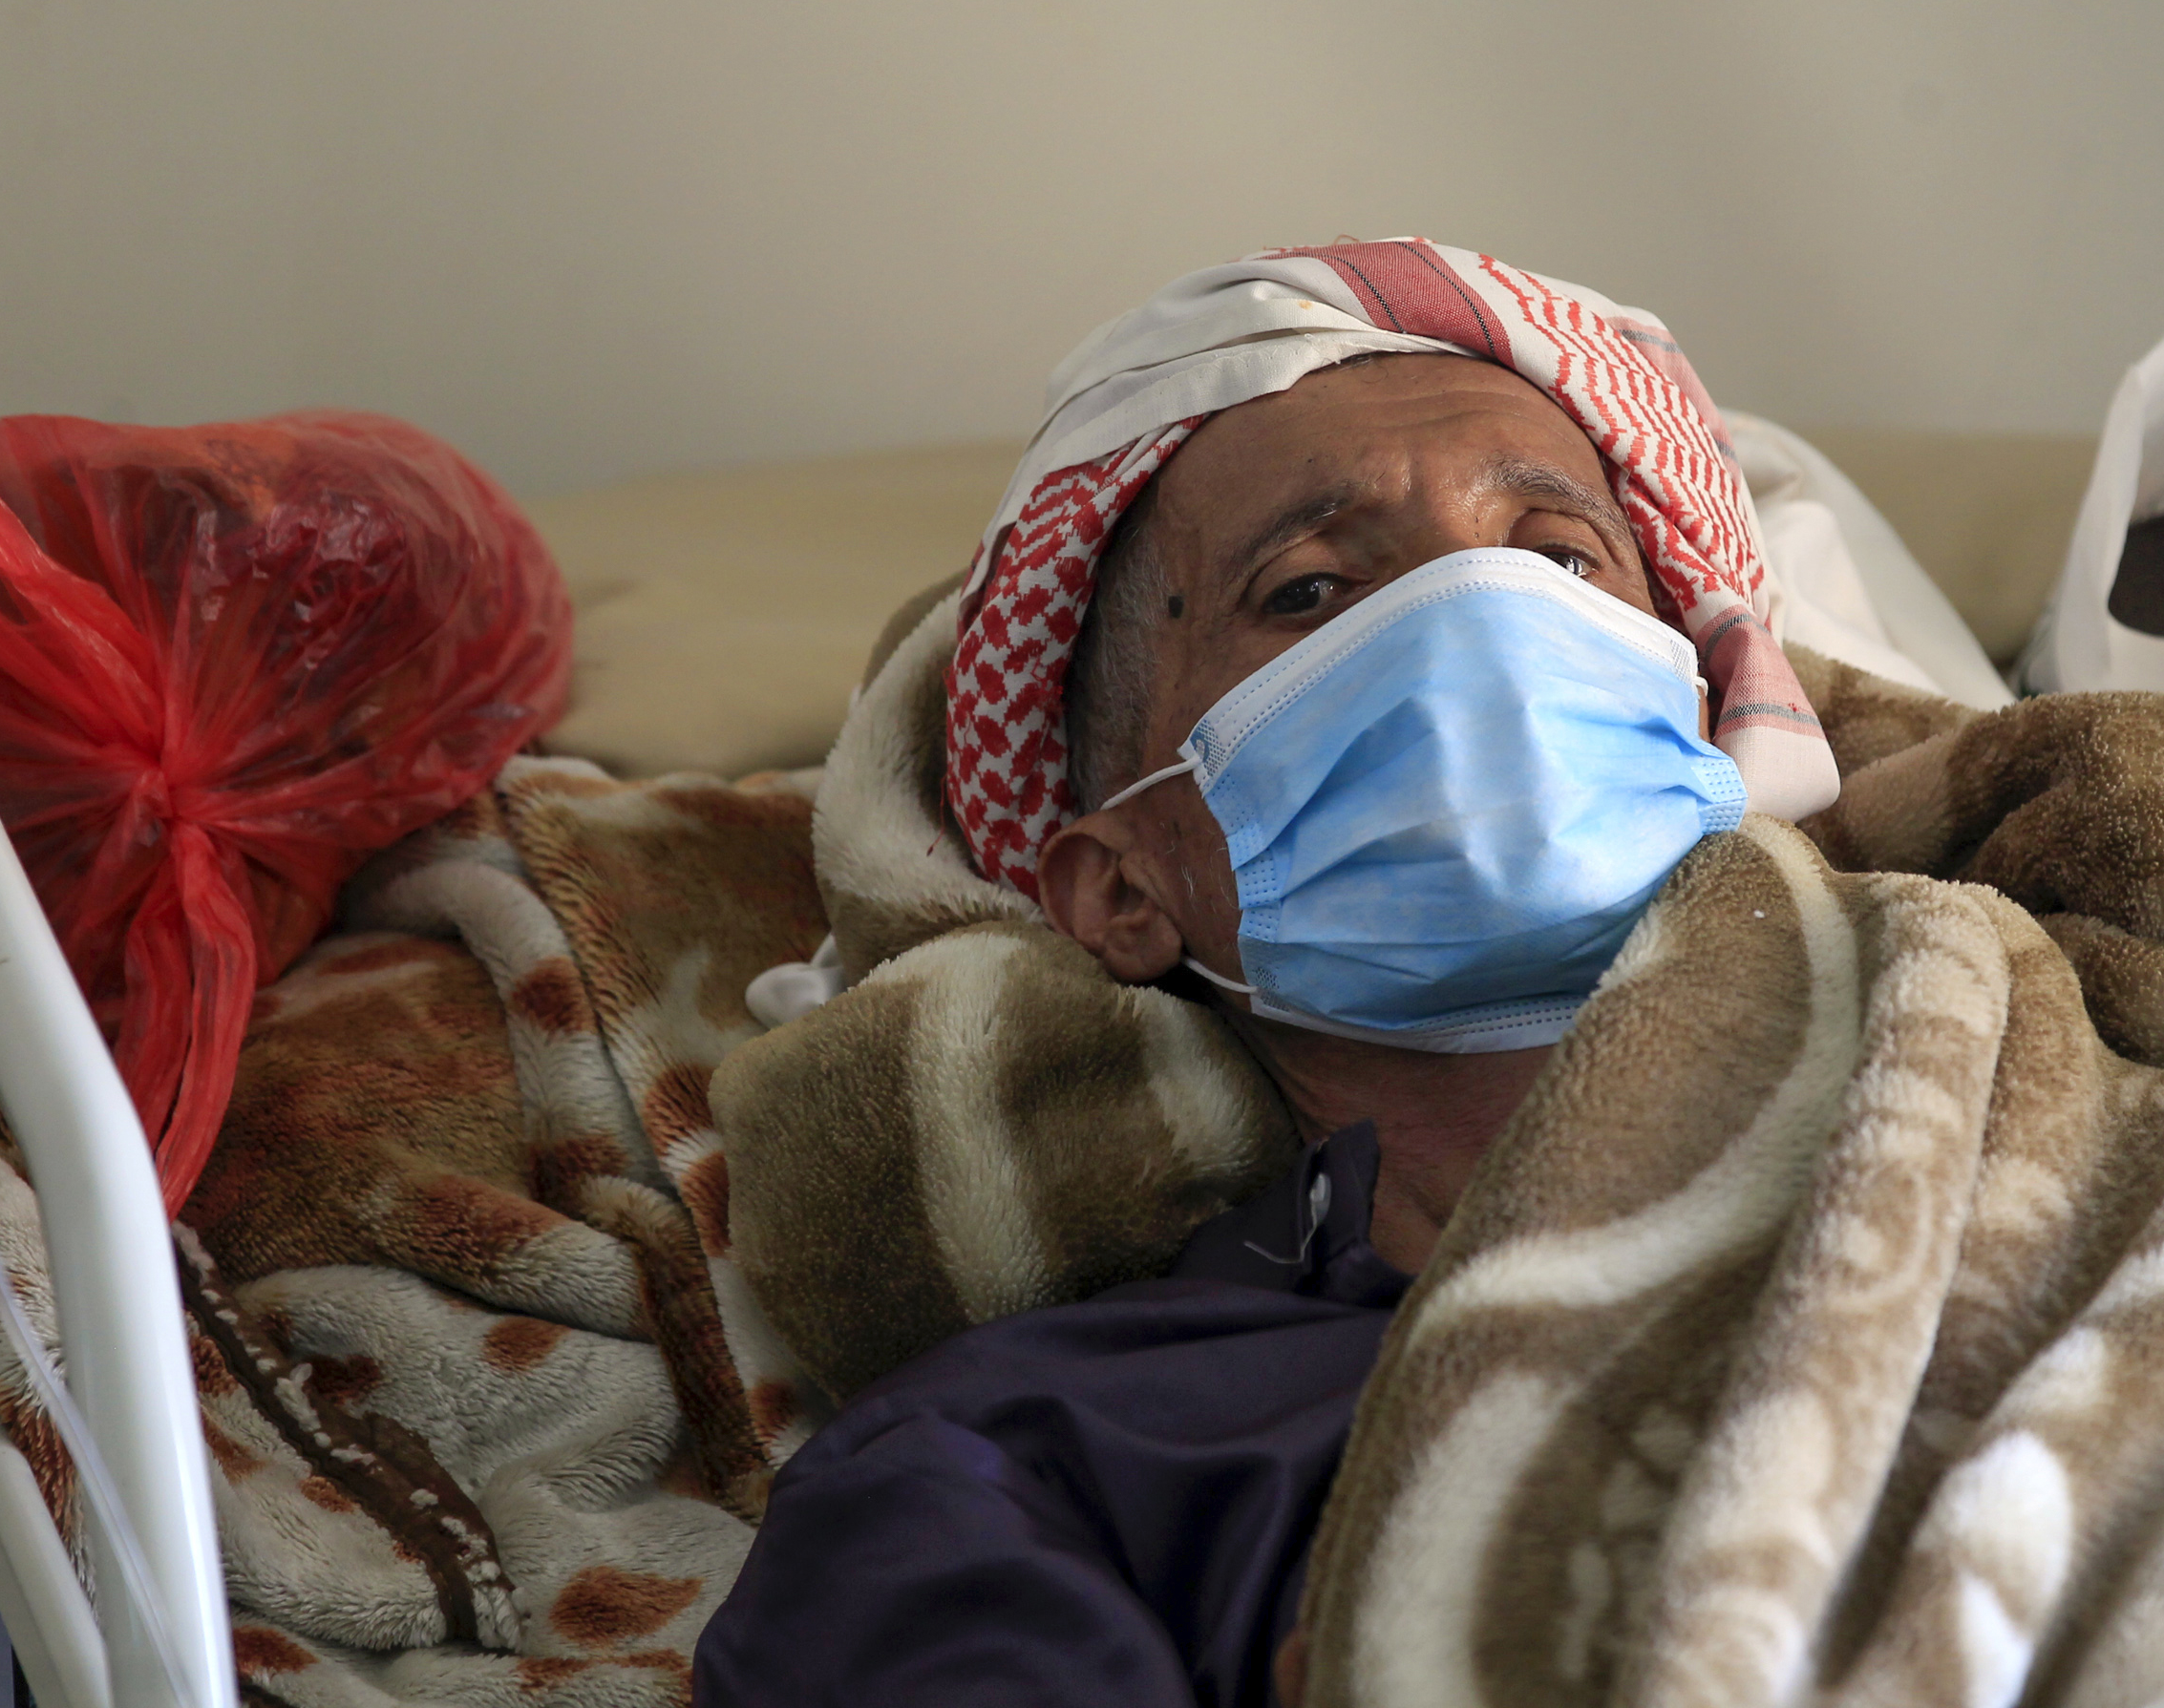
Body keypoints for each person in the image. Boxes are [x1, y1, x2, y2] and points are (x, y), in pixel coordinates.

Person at [694, 240, 1842, 1706]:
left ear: (1715, 717)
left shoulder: (2031, 1116)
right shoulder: (1015, 1461)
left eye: (1560, 559)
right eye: (1305, 592)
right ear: (1124, 885)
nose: (1484, 620)